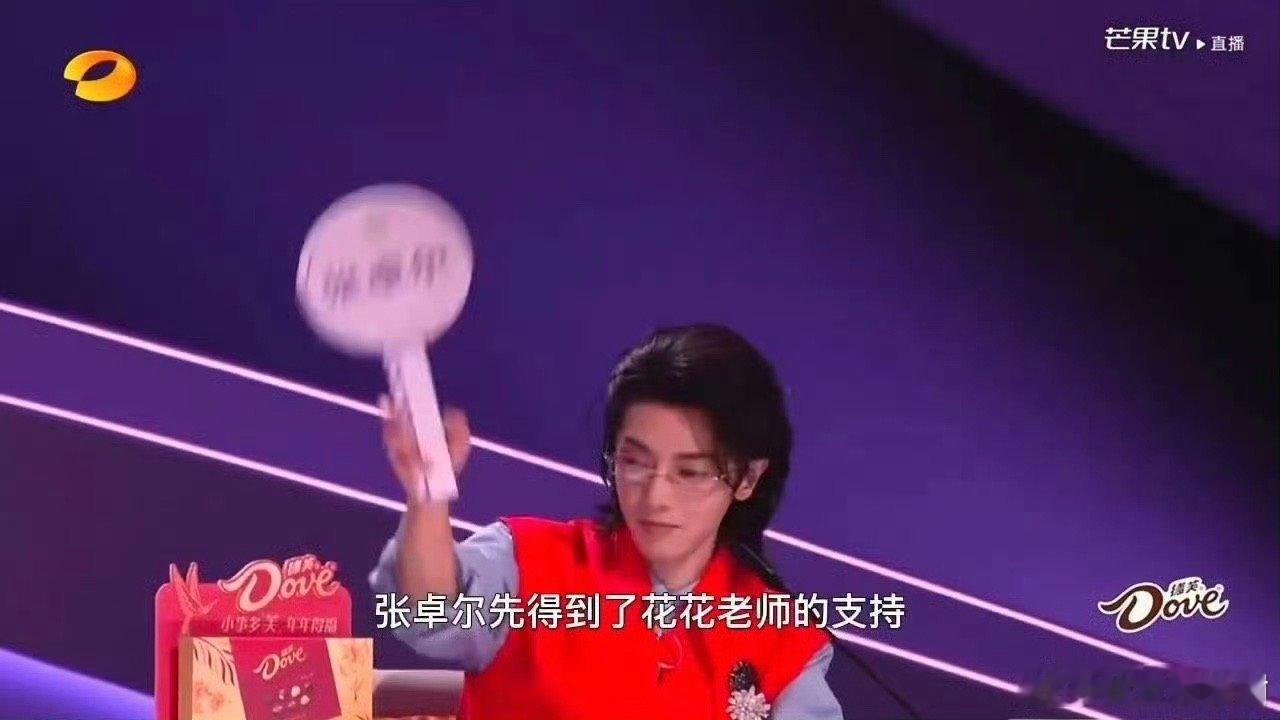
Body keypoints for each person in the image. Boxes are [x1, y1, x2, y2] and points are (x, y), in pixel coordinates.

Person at [370, 324, 845, 719]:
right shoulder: (531, 561)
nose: (656, 497)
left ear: (747, 478)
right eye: (634, 462)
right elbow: (429, 615)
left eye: (690, 473)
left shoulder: (781, 639)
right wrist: (427, 494)